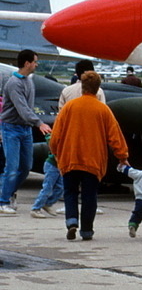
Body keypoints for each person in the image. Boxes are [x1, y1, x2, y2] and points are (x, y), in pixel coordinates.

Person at [48, 72, 129, 241]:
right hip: (93, 160)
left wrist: (56, 152)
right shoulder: (103, 109)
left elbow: (55, 135)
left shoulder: (69, 107)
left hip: (70, 158)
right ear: (98, 88)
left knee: (70, 192)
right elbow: (115, 137)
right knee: (89, 195)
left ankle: (71, 222)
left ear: (82, 87)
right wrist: (122, 156)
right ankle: (86, 230)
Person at [32, 60, 107, 219]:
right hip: (91, 140)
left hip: (70, 138)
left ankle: (71, 214)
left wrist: (54, 145)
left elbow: (60, 116)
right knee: (89, 176)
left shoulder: (67, 91)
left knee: (71, 178)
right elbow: (104, 115)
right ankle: (88, 209)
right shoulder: (99, 92)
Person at [1, 50, 52, 214]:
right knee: (12, 166)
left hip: (25, 129)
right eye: (35, 62)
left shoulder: (29, 82)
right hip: (11, 129)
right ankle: (3, 201)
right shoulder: (14, 83)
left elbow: (28, 108)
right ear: (27, 63)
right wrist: (40, 123)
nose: (36, 65)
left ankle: (9, 193)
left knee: (25, 166)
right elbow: (22, 108)